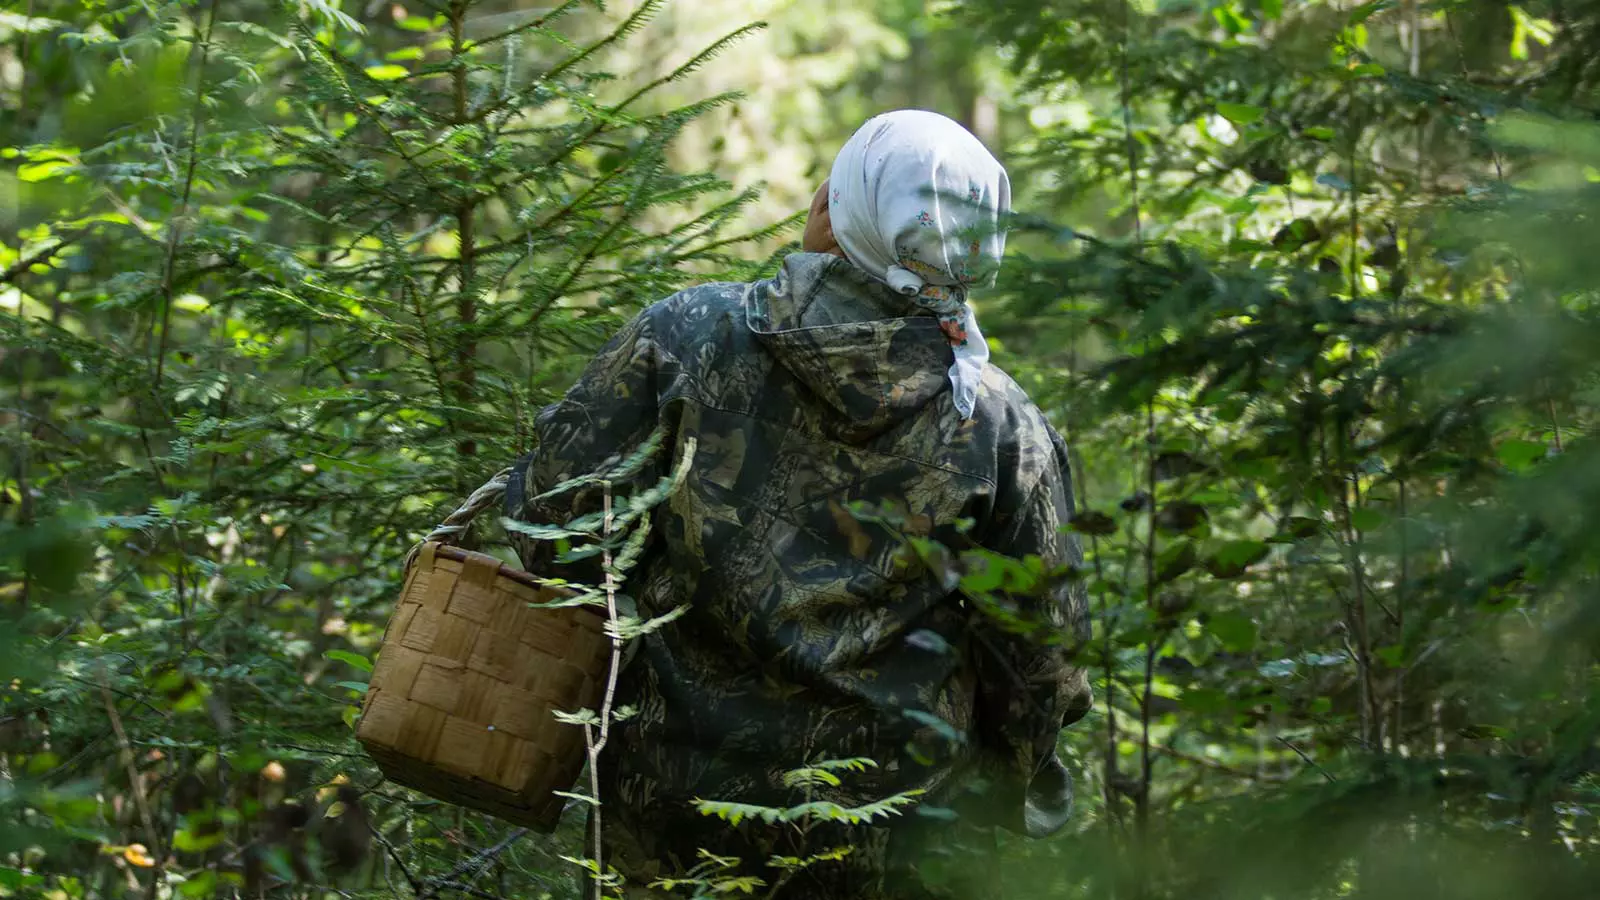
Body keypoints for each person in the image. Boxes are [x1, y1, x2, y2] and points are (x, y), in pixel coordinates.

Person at [505, 109, 1092, 899]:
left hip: (667, 815)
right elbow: (1042, 662)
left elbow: (552, 526)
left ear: (836, 212)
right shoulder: (997, 421)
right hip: (895, 840)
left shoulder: (686, 335)